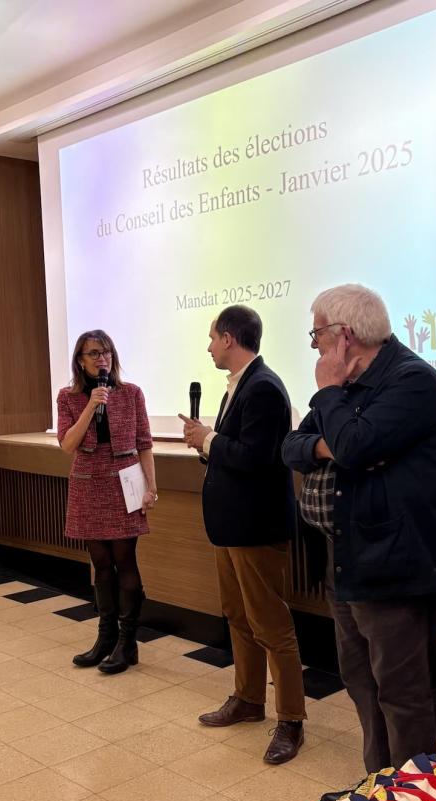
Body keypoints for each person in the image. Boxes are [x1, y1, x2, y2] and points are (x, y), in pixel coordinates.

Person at [282, 284, 436, 801]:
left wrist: (331, 402)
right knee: (361, 685)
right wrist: (332, 441)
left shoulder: (411, 380)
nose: (313, 348)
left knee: (401, 696)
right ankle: (382, 793)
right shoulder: (350, 391)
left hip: (393, 564)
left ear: (343, 335)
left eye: (316, 334)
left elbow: (354, 448)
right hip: (346, 560)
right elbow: (292, 446)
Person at [181, 305, 306, 764]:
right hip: (231, 525)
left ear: (231, 338)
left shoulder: (265, 388)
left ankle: (291, 719)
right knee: (238, 615)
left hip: (256, 527)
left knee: (272, 625)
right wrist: (206, 444)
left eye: (212, 337)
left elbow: (257, 458)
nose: (209, 346)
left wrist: (208, 440)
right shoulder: (238, 385)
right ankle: (249, 699)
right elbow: (233, 456)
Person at [57, 330, 157, 675]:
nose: (102, 359)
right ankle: (105, 637)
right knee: (100, 564)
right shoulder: (68, 398)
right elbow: (68, 444)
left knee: (125, 561)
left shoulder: (131, 394)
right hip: (87, 484)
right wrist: (90, 405)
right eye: (94, 353)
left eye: (107, 352)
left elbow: (144, 443)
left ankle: (127, 643)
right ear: (80, 361)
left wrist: (151, 489)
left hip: (124, 484)